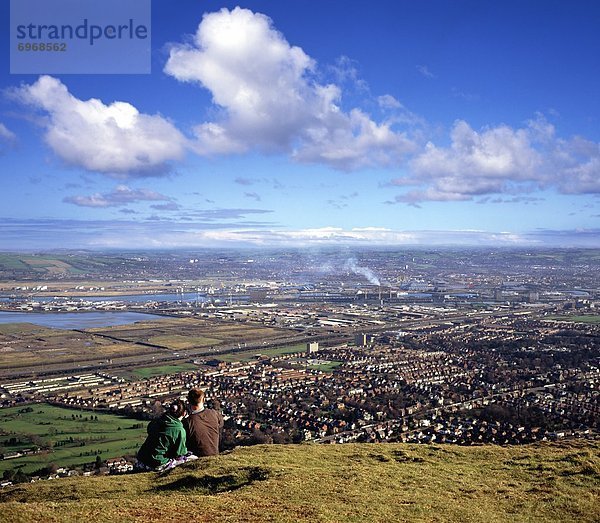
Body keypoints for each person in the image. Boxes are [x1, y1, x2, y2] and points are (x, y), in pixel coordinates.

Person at [136, 399, 197, 472]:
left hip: (141, 461)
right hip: (157, 464)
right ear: (184, 413)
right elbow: (180, 454)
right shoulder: (179, 430)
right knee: (193, 459)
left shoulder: (158, 421)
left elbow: (150, 430)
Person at [184, 388, 224, 456]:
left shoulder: (187, 422)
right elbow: (220, 427)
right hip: (215, 453)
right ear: (203, 400)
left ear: (189, 401)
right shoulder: (215, 414)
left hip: (197, 457)